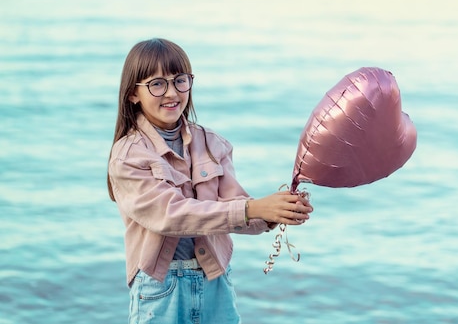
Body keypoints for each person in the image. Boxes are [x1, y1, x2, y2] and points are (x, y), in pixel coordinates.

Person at [107, 38, 313, 324]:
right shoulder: (128, 155)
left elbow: (236, 208)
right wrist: (254, 209)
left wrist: (275, 213)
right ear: (133, 94)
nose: (171, 92)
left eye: (180, 80)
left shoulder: (212, 143)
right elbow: (171, 215)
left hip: (215, 279)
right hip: (160, 289)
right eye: (157, 83)